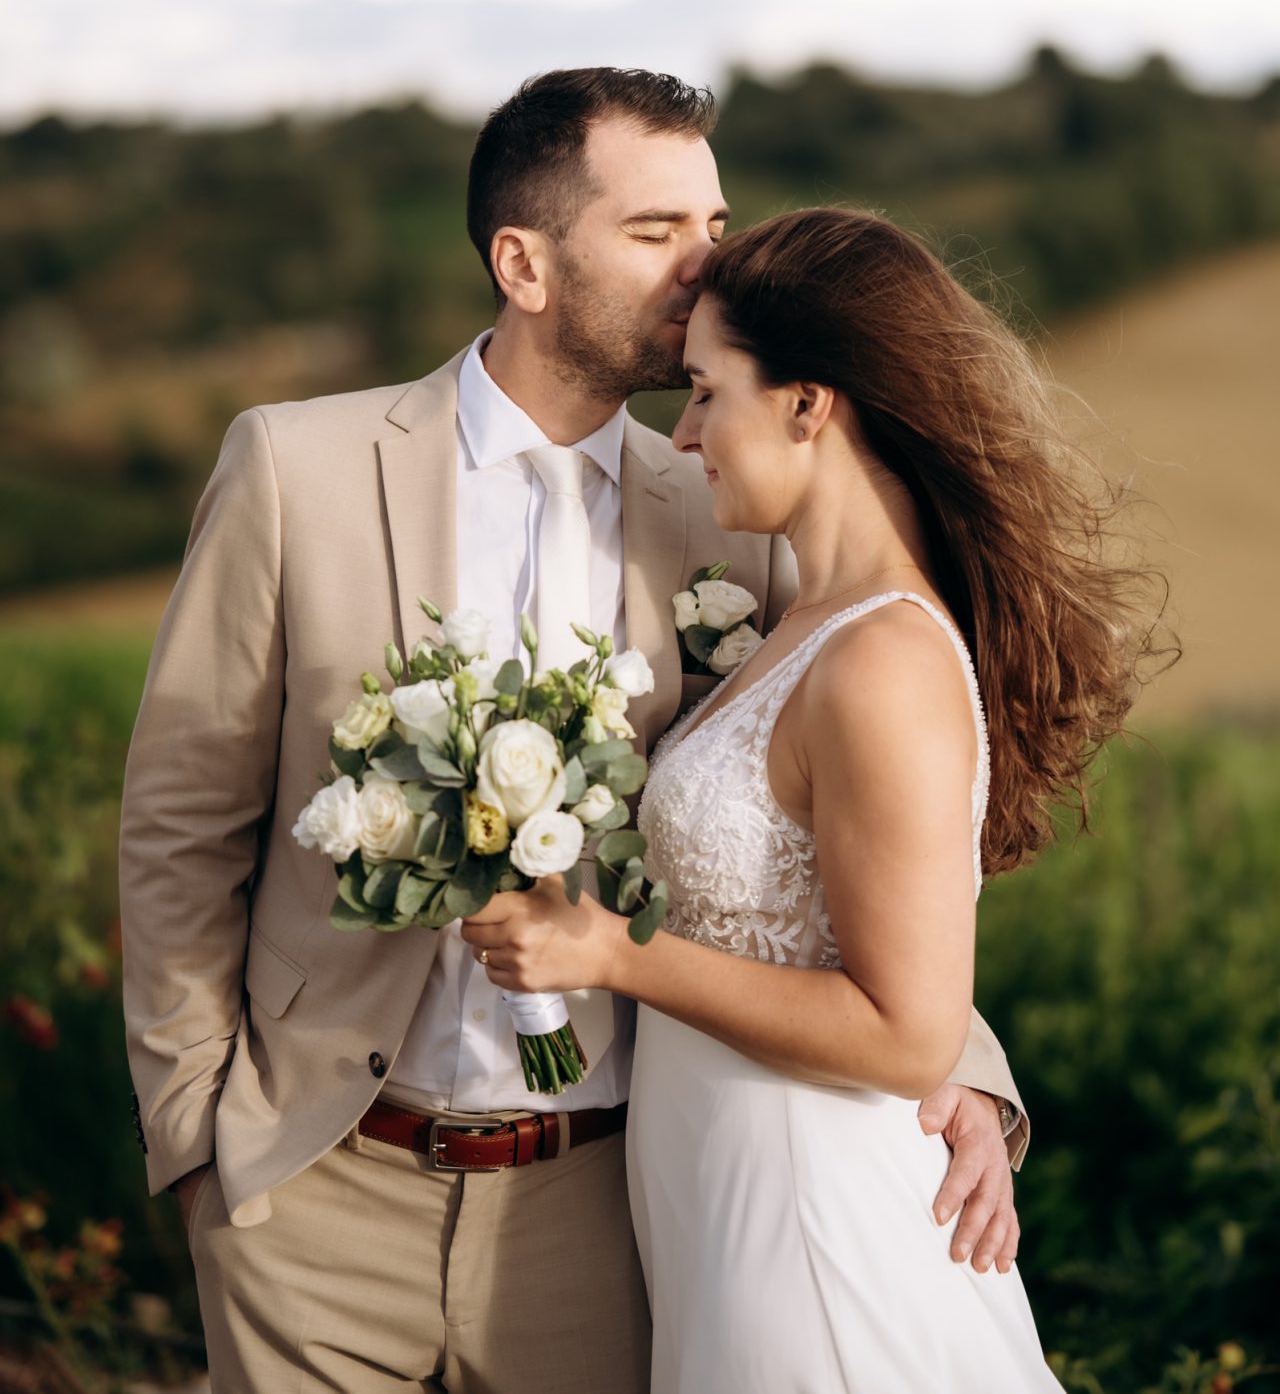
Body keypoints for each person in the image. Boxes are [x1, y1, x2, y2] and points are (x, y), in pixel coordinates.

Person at [120, 75, 1027, 1394]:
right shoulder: (293, 471)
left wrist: (969, 1078)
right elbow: (180, 825)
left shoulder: (734, 513)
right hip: (316, 1187)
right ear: (523, 263)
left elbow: (851, 835)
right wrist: (199, 1134)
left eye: (716, 220)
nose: (711, 263)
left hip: (607, 1211)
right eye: (660, 229)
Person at [462, 203, 1159, 1392]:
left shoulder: (882, 657)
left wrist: (614, 957)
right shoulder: (802, 619)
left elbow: (905, 1029)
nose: (682, 434)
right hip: (724, 1204)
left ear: (805, 401)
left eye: (702, 390)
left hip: (812, 1226)